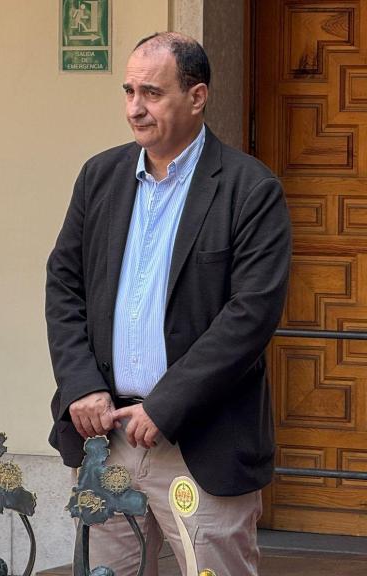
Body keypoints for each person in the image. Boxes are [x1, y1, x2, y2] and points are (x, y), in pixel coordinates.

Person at [46, 32, 291, 574]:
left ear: (197, 97)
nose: (135, 108)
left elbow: (250, 316)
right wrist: (80, 383)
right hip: (104, 437)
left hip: (200, 444)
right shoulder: (100, 176)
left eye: (152, 93)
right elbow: (63, 282)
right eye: (129, 91)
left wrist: (165, 406)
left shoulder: (251, 190)